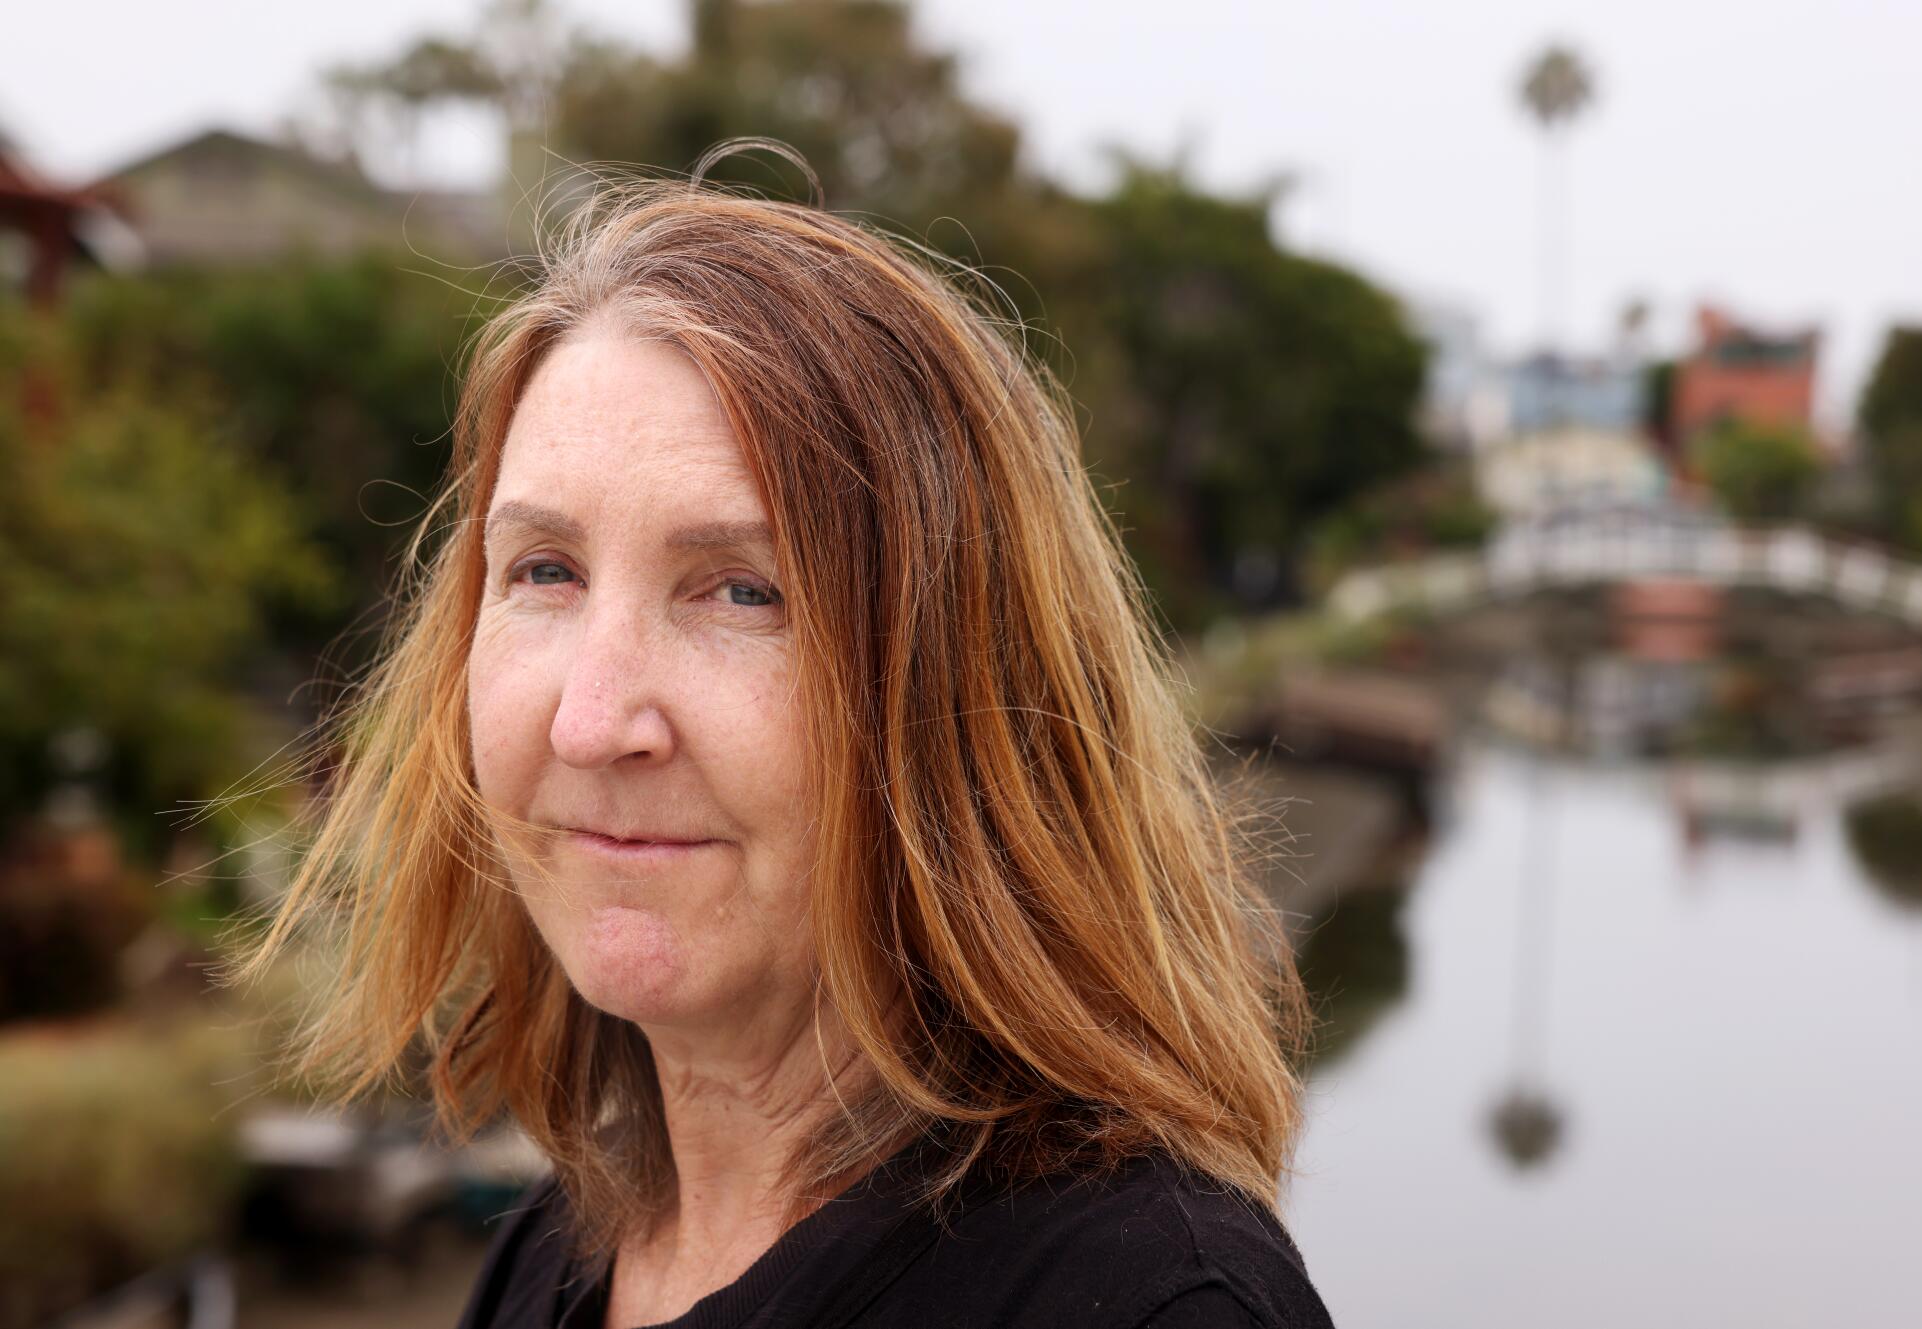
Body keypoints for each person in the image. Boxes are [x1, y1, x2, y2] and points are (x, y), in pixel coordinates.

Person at [232, 147, 1335, 1329]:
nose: (592, 721)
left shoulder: (1147, 1307)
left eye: (741, 592)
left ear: (957, 694)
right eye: (543, 571)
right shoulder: (553, 1258)